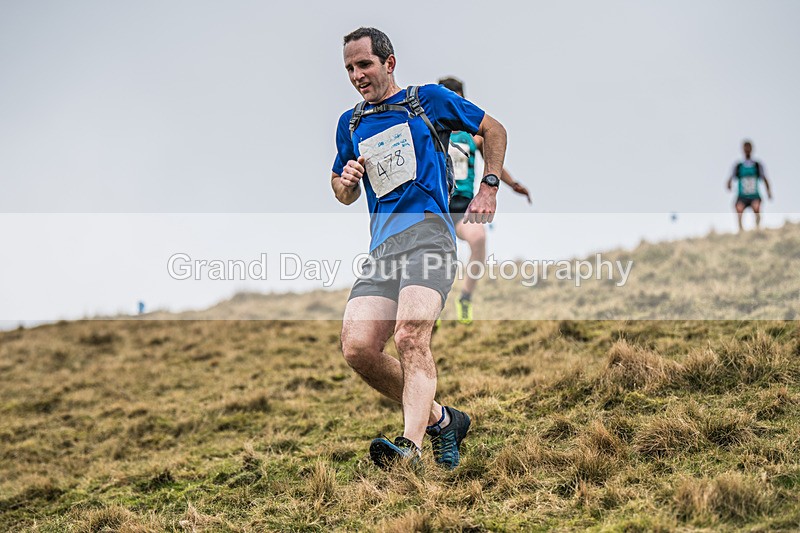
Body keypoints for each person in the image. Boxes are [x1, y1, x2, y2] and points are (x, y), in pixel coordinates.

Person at [330, 27, 507, 469]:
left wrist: (489, 187)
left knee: (410, 336)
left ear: (389, 63)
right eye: (349, 68)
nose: (357, 75)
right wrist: (346, 182)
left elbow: (494, 129)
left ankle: (410, 447)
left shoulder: (427, 101)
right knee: (357, 348)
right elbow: (341, 190)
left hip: (430, 235)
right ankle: (443, 420)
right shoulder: (350, 123)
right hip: (382, 248)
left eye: (364, 64)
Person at [438, 77, 531, 324]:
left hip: (463, 206)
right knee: (437, 257)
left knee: (478, 239)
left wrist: (513, 184)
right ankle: (431, 305)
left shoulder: (474, 136)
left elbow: (493, 161)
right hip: (437, 206)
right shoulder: (431, 133)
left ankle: (465, 297)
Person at [726, 139, 773, 231]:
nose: (747, 149)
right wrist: (729, 184)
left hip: (754, 195)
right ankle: (741, 230)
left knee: (756, 208)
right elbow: (730, 178)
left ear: (752, 149)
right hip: (742, 195)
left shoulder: (757, 165)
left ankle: (757, 229)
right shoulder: (738, 166)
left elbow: (765, 179)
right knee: (739, 209)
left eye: (748, 147)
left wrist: (768, 192)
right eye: (745, 147)